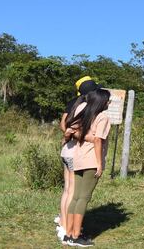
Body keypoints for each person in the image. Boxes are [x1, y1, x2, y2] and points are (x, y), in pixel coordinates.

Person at [63, 88, 111, 247]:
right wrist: (99, 164)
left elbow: (70, 129)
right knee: (83, 198)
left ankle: (68, 234)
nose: (109, 102)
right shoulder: (103, 117)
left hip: (78, 158)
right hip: (91, 161)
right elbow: (98, 140)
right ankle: (76, 236)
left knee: (75, 196)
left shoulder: (85, 114)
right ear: (102, 102)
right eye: (108, 100)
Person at [56, 77, 99, 242]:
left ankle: (63, 224)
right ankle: (68, 230)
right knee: (74, 193)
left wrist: (67, 134)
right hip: (77, 153)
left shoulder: (73, 103)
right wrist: (77, 135)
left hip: (66, 150)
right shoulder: (88, 106)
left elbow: (63, 124)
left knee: (67, 190)